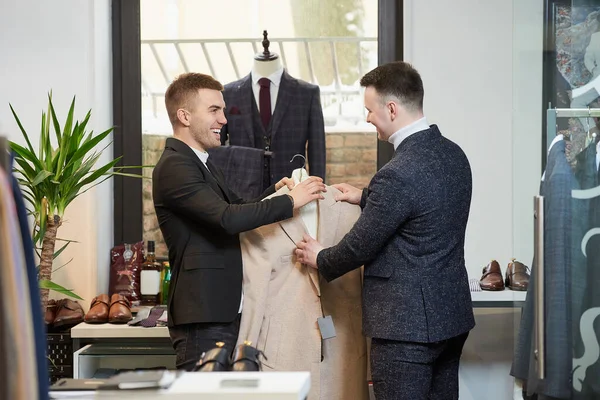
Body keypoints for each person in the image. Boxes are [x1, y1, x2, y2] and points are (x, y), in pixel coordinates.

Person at [295, 61, 475, 400]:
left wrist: (321, 257)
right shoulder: (454, 155)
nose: (367, 119)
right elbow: (424, 208)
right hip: (450, 317)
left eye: (369, 110)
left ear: (391, 109)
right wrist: (366, 196)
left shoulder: (397, 173)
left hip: (405, 328)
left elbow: (359, 247)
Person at [152, 72, 326, 371]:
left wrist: (276, 192)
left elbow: (239, 205)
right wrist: (291, 201)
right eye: (214, 110)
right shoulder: (174, 166)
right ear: (184, 116)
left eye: (222, 110)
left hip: (223, 312)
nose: (224, 119)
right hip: (203, 316)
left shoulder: (201, 163)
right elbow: (226, 218)